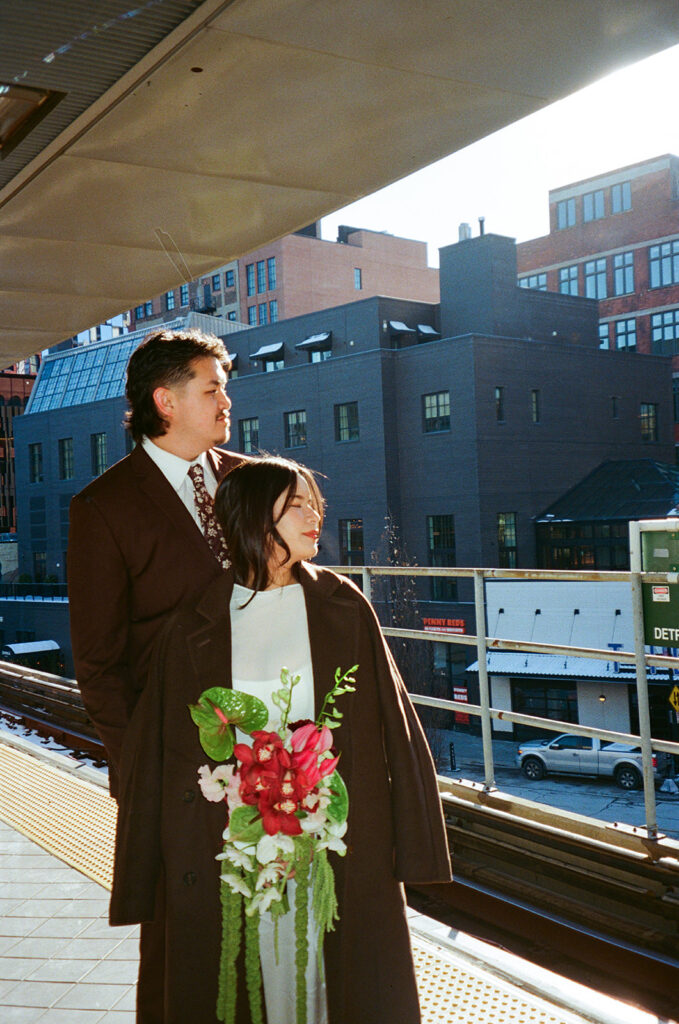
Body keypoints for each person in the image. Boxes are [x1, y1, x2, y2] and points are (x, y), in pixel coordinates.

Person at [110, 455, 452, 1024]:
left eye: (314, 502)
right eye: (295, 504)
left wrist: (414, 846)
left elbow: (396, 731)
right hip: (229, 852)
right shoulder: (191, 624)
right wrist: (144, 876)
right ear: (250, 517)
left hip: (332, 847)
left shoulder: (344, 607)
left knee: (328, 989)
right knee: (241, 986)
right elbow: (158, 761)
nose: (313, 514)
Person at [67, 327, 244, 1021]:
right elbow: (99, 661)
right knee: (185, 938)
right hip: (172, 765)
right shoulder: (104, 507)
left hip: (271, 751)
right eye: (212, 387)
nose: (226, 400)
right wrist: (143, 763)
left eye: (224, 386)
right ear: (165, 400)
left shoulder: (248, 483)